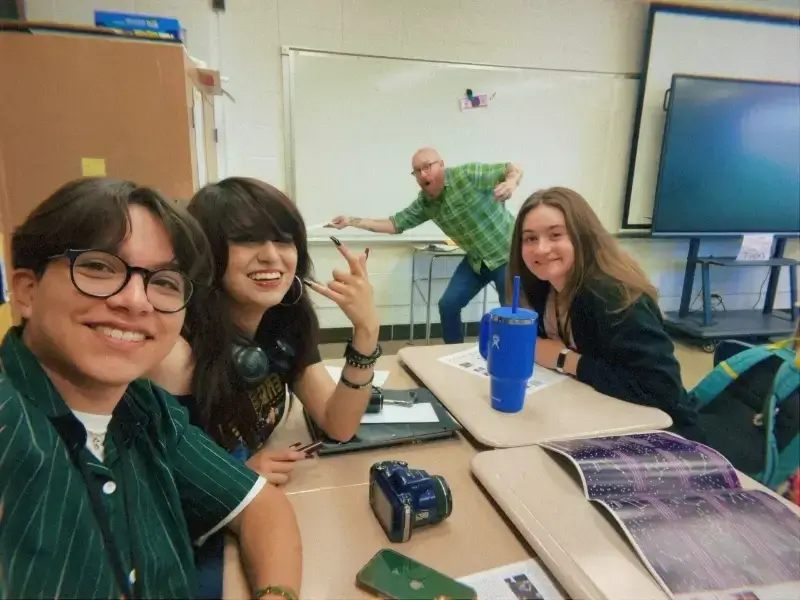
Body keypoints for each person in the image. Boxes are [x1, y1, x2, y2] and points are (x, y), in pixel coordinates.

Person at [0, 178, 302, 600]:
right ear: (27, 290)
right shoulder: (11, 426)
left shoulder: (144, 409)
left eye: (164, 282)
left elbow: (261, 507)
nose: (136, 301)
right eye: (100, 267)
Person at [145, 177, 380, 597]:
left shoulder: (283, 324)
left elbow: (338, 423)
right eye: (246, 241)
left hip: (258, 513)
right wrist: (227, 480)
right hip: (205, 537)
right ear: (210, 255)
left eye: (284, 240)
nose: (272, 256)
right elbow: (151, 495)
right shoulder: (177, 354)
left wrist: (365, 332)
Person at [507, 186, 698, 429]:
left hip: (658, 434)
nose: (541, 249)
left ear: (582, 236)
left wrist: (564, 359)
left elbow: (661, 388)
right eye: (530, 238)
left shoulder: (612, 295)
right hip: (590, 414)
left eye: (555, 235)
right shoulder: (542, 285)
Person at [329, 147, 523, 343]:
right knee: (448, 305)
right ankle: (453, 355)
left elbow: (512, 169)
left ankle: (511, 360)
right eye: (417, 171)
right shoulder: (425, 203)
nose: (423, 175)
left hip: (507, 255)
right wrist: (350, 221)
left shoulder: (467, 175)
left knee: (509, 314)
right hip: (476, 261)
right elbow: (394, 224)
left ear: (441, 165)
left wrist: (511, 182)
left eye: (427, 167)